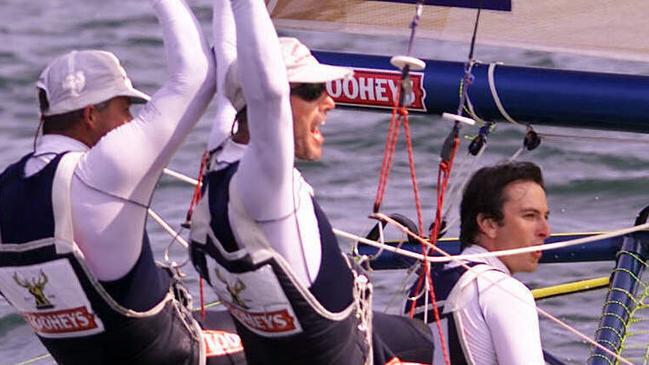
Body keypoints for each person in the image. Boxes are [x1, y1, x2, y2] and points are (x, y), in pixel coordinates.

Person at [0, 0, 246, 364]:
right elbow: (197, 76)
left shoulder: (6, 190)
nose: (131, 121)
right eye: (125, 109)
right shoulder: (103, 169)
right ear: (90, 115)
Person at [189, 0, 434, 364]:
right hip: (342, 353)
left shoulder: (223, 153)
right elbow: (267, 93)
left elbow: (228, 54)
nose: (330, 102)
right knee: (422, 337)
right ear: (268, 103)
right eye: (311, 91)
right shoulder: (265, 181)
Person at [407, 161, 548, 364]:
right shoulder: (502, 290)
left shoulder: (419, 291)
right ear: (488, 224)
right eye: (530, 216)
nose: (545, 230)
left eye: (545, 216)